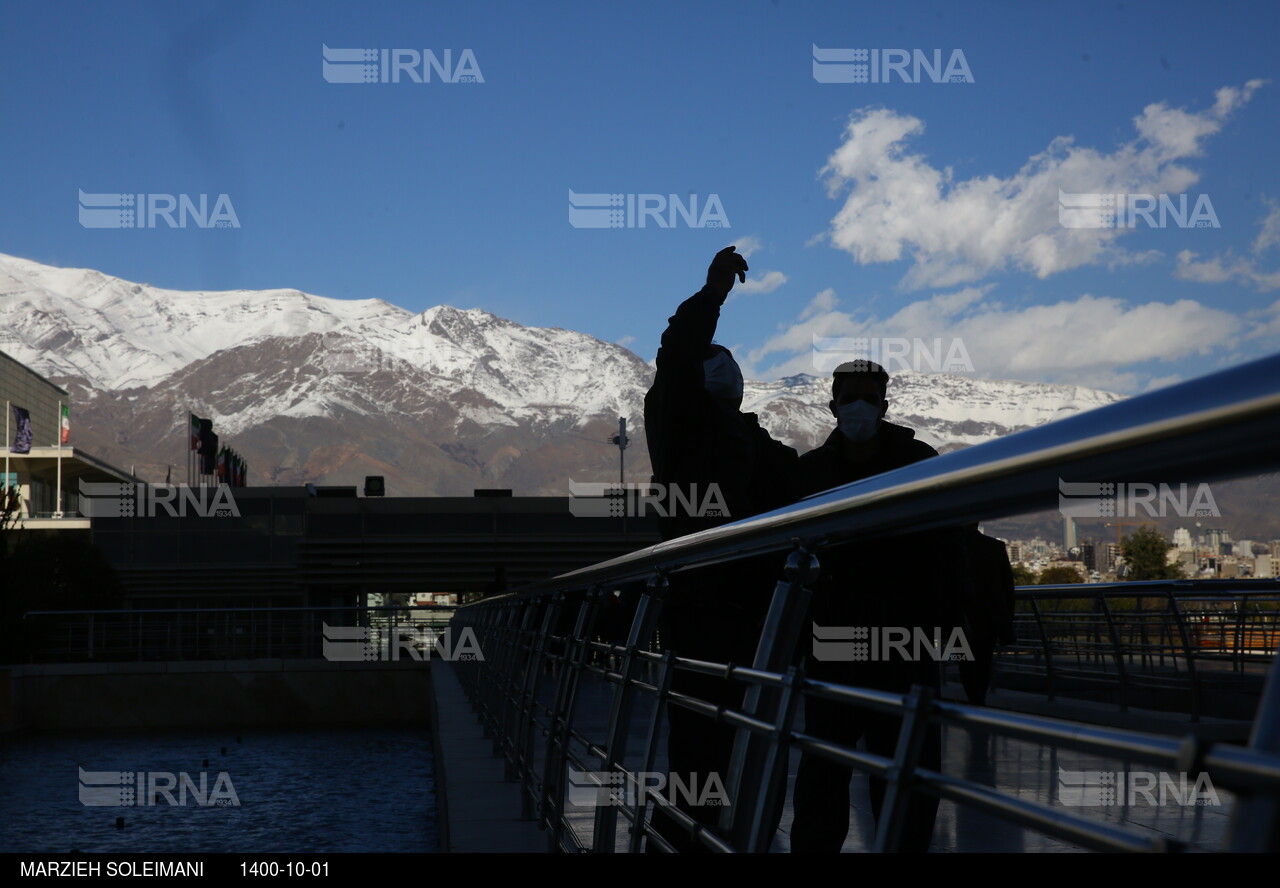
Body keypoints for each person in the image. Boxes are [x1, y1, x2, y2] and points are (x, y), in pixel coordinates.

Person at [643, 245, 801, 852]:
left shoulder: (758, 446)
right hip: (704, 610)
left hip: (753, 615)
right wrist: (712, 296)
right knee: (701, 736)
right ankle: (691, 832)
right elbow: (678, 358)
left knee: (756, 735)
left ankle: (736, 832)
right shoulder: (681, 427)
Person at [790, 359, 958, 853]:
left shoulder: (919, 462)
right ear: (832, 405)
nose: (859, 406)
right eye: (850, 397)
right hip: (832, 645)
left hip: (904, 648)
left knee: (905, 777)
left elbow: (949, 548)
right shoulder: (809, 473)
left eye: (869, 396)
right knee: (823, 774)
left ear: (885, 404)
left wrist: (940, 625)